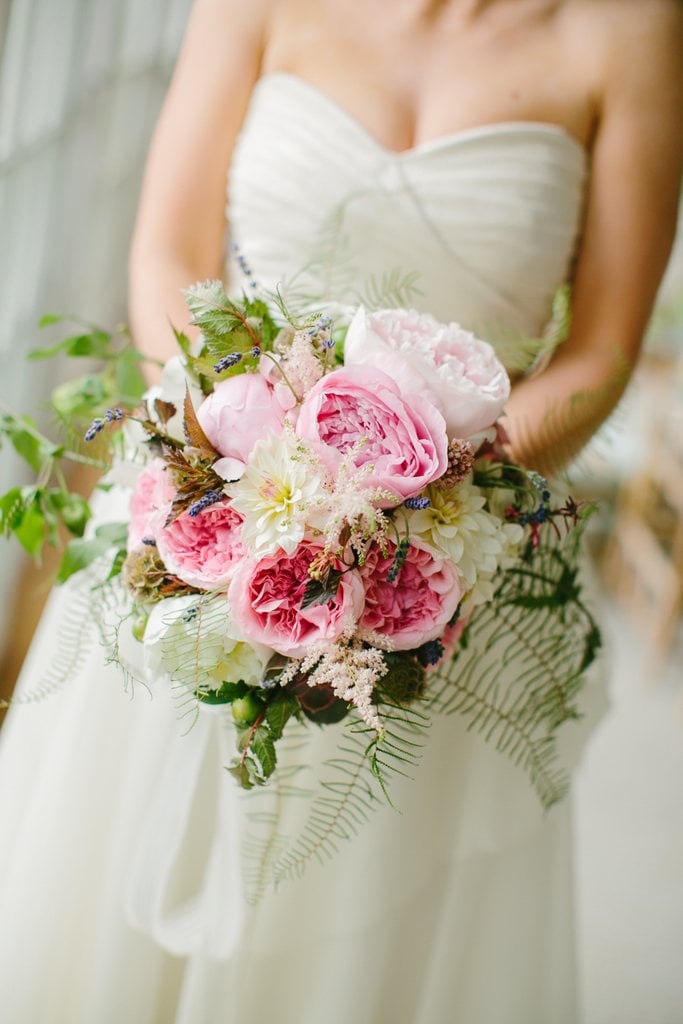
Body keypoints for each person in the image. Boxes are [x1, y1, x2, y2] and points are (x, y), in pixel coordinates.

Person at [0, 1, 681, 1021]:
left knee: (356, 927)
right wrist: (240, 453)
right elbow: (166, 254)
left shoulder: (629, 26)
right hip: (210, 510)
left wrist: (430, 492)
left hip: (446, 568)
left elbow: (600, 352)